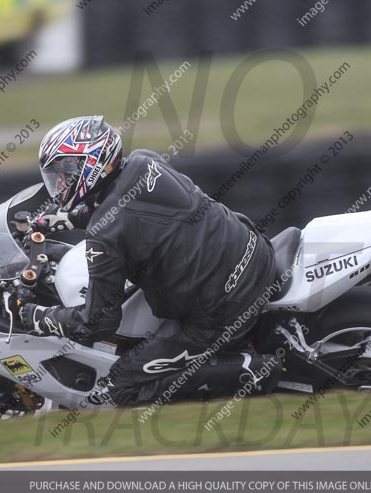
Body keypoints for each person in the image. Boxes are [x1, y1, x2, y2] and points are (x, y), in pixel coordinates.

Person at [20, 116, 281, 407]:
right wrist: (69, 219)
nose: (59, 182)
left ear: (90, 162)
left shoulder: (103, 236)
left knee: (121, 387)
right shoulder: (144, 161)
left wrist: (40, 317)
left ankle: (253, 371)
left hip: (226, 308)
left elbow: (98, 321)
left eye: (65, 171)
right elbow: (131, 209)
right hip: (255, 251)